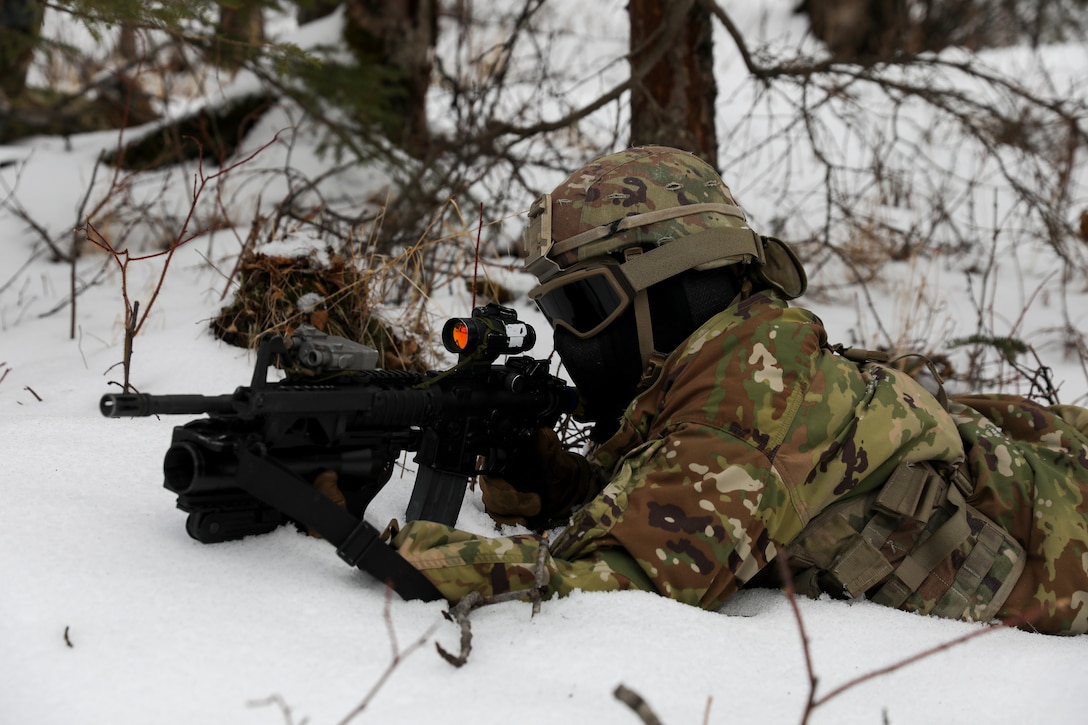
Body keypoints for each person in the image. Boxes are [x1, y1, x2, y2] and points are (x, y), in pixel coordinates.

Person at [388, 145, 1088, 635]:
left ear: (671, 285)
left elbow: (624, 588)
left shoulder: (751, 401)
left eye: (581, 307)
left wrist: (389, 550)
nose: (570, 340)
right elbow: (671, 490)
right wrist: (555, 478)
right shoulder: (722, 364)